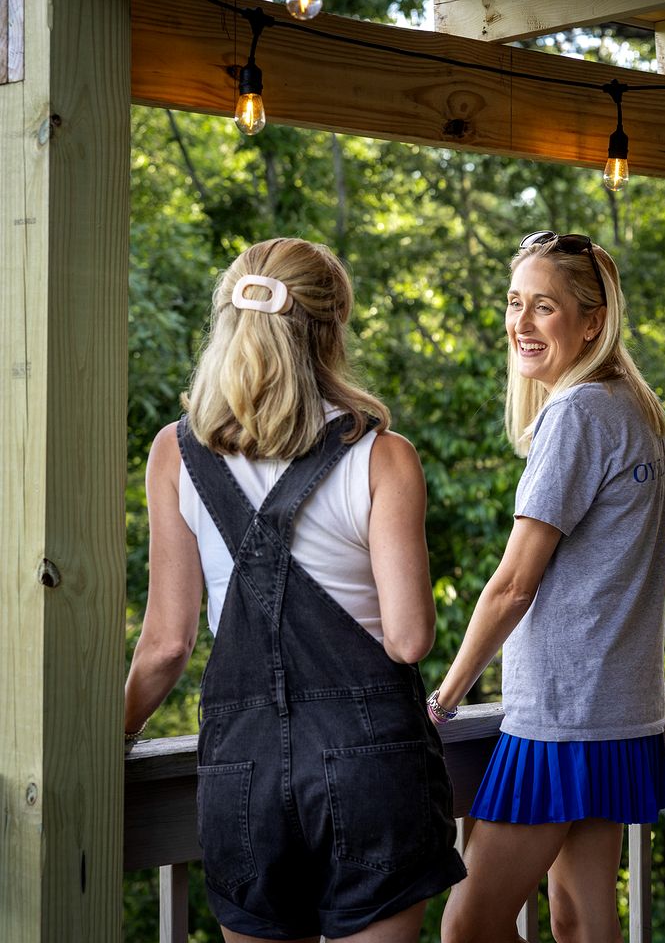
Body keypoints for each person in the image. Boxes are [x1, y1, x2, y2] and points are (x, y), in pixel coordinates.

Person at [123, 237, 465, 942]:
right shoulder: (381, 455)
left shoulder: (174, 452)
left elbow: (165, 645)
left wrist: (110, 737)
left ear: (227, 322)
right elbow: (407, 639)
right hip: (373, 765)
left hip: (240, 773)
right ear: (333, 328)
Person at [434, 231, 665, 943]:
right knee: (581, 921)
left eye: (544, 307)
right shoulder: (633, 406)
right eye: (515, 304)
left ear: (592, 320)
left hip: (564, 716)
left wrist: (443, 700)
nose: (521, 323)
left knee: (467, 929)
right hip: (622, 709)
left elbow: (512, 584)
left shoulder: (574, 415)